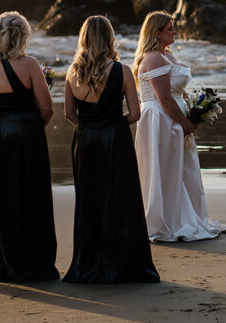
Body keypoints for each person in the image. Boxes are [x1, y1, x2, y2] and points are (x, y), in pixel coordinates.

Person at [64, 16, 159, 283]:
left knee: (89, 202)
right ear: (109, 38)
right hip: (115, 140)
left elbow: (70, 114)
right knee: (121, 199)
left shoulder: (73, 71)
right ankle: (123, 262)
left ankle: (89, 263)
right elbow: (136, 113)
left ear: (83, 38)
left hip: (85, 141)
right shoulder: (122, 70)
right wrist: (112, 123)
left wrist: (92, 124)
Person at [0, 11, 59, 283]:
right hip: (23, 133)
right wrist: (31, 131)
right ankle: (36, 265)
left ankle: (6, 264)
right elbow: (47, 108)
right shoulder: (29, 64)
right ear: (22, 36)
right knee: (31, 198)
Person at [134, 11, 220, 241]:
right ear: (157, 32)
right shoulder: (152, 57)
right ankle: (165, 220)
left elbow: (176, 93)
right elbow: (164, 98)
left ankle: (185, 214)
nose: (174, 32)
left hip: (174, 116)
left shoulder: (168, 54)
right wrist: (185, 123)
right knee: (164, 168)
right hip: (160, 119)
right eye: (170, 29)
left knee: (180, 168)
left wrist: (194, 114)